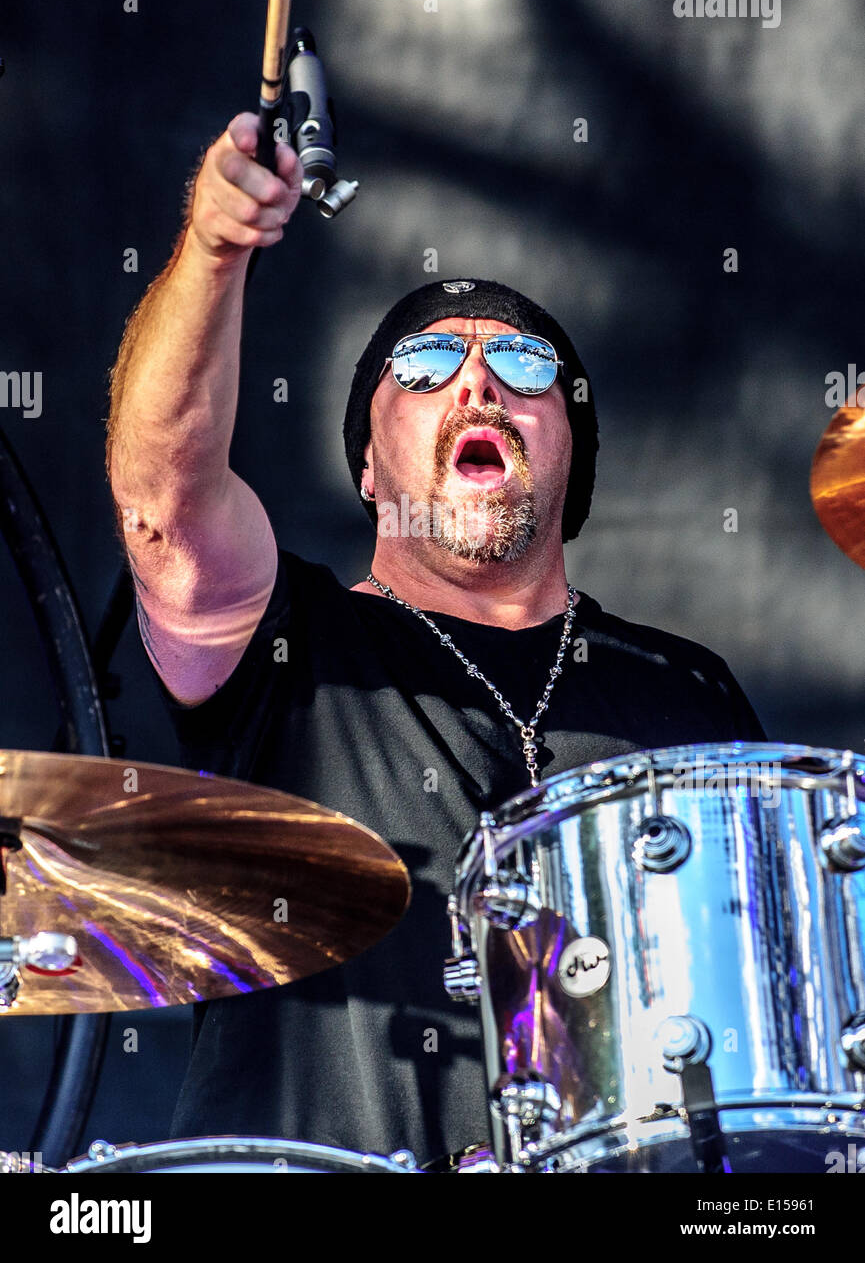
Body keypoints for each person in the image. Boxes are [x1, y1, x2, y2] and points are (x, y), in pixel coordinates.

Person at [106, 114, 765, 1165]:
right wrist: (216, 248)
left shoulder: (686, 689)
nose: (475, 381)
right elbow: (163, 504)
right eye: (420, 364)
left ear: (570, 452)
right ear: (367, 465)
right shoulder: (294, 641)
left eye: (522, 360)